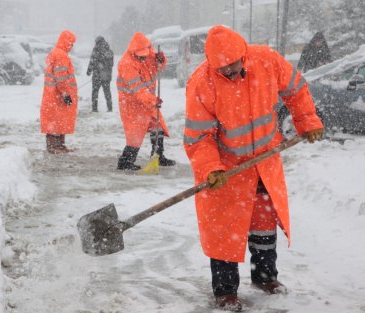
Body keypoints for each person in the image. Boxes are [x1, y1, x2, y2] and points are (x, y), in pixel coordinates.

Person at [184, 25, 324, 311]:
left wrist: (307, 120)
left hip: (265, 161)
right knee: (224, 230)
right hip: (227, 167)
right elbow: (199, 136)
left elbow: (296, 89)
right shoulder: (201, 83)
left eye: (234, 67)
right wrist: (211, 167)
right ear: (213, 65)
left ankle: (265, 277)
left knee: (264, 222)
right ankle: (225, 291)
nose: (231, 74)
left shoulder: (266, 60)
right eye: (223, 70)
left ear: (243, 56)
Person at [116, 32, 175, 170]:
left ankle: (158, 156)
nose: (143, 59)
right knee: (135, 134)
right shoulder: (126, 64)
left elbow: (157, 68)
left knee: (158, 126)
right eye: (140, 56)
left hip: (148, 101)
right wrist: (152, 100)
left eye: (145, 55)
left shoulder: (148, 53)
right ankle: (125, 162)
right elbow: (138, 89)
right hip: (132, 104)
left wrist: (161, 60)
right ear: (133, 51)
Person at [40, 30, 78, 154]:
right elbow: (60, 77)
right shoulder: (61, 55)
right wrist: (65, 93)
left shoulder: (56, 53)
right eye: (71, 43)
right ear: (66, 42)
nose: (72, 46)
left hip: (53, 95)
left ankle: (59, 146)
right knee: (56, 121)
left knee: (58, 121)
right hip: (57, 96)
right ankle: (54, 147)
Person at [86, 36, 114, 112]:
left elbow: (91, 61)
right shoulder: (109, 51)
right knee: (107, 92)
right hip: (106, 76)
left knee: (95, 93)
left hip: (97, 76)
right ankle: (110, 108)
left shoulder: (95, 50)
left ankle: (94, 109)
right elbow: (111, 64)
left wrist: (89, 71)